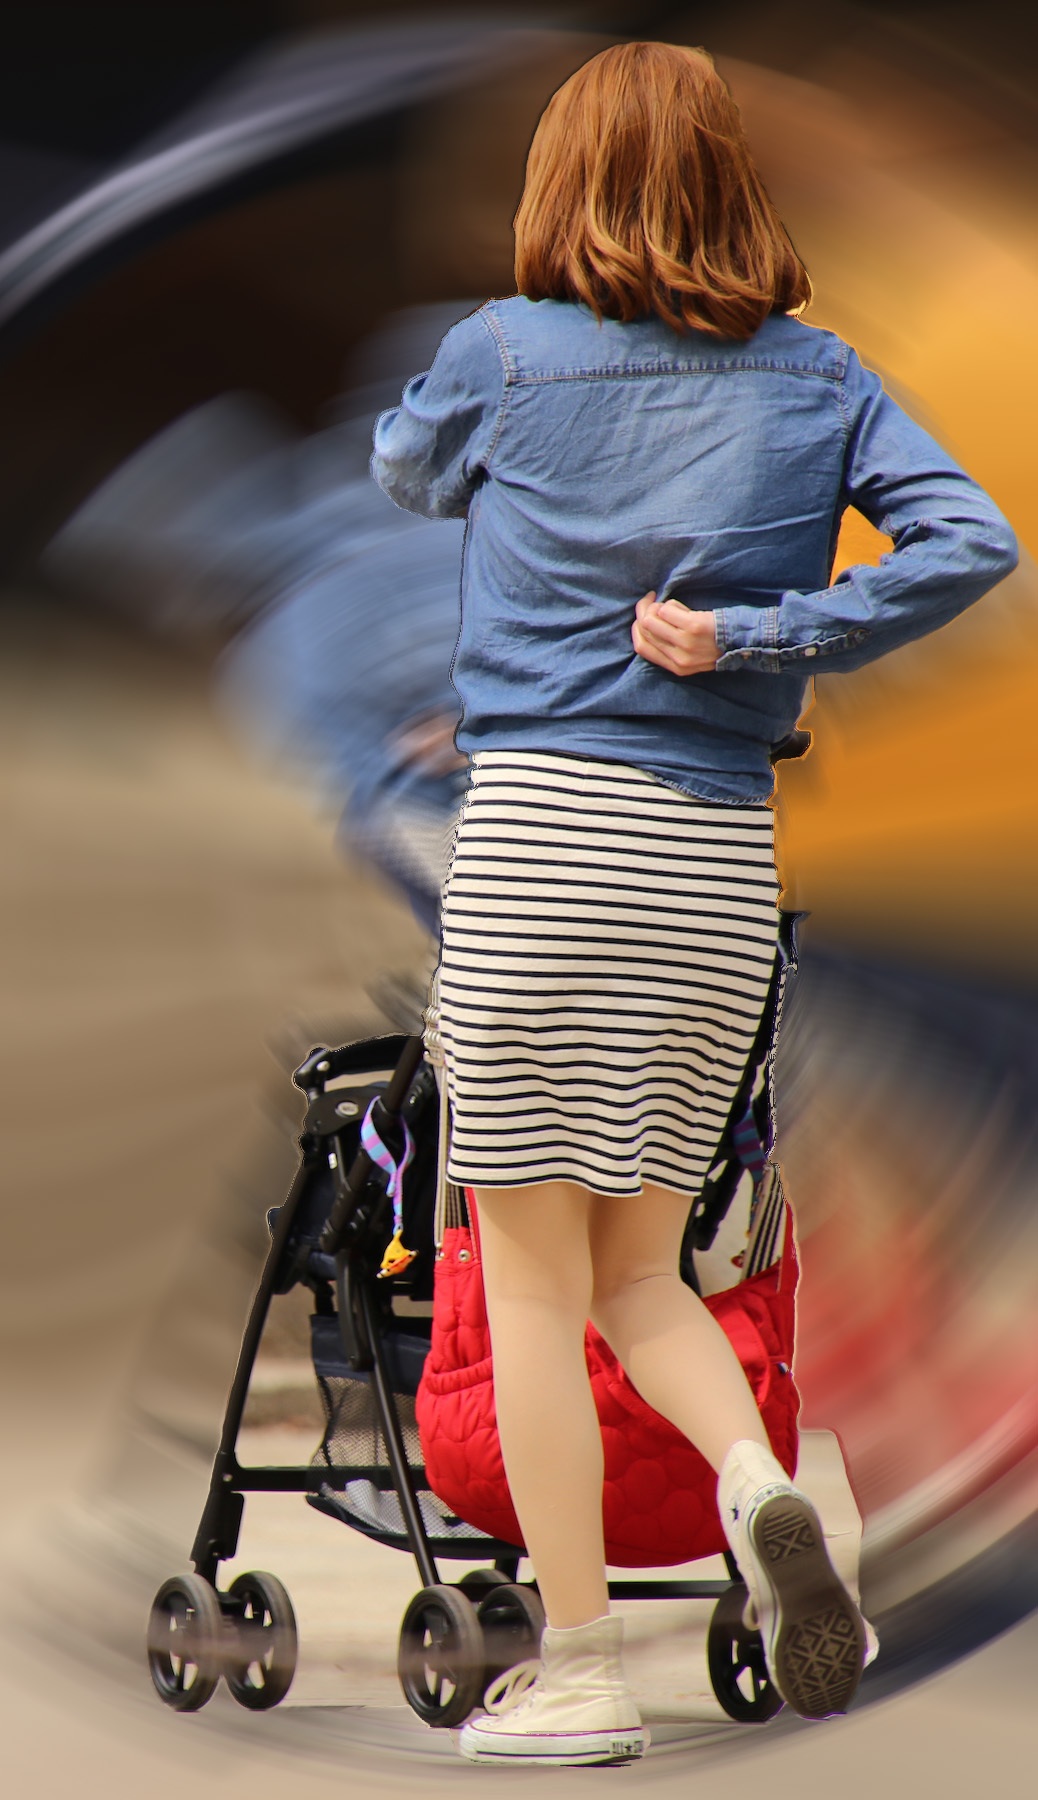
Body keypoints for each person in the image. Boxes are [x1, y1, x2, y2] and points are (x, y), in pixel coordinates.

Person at [372, 41, 1017, 1768]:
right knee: (646, 1270)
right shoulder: (824, 376)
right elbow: (971, 544)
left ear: (557, 184)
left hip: (539, 849)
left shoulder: (501, 351)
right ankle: (756, 1484)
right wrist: (761, 635)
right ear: (738, 184)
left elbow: (406, 471)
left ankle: (581, 1669)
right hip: (713, 864)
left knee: (527, 1285)